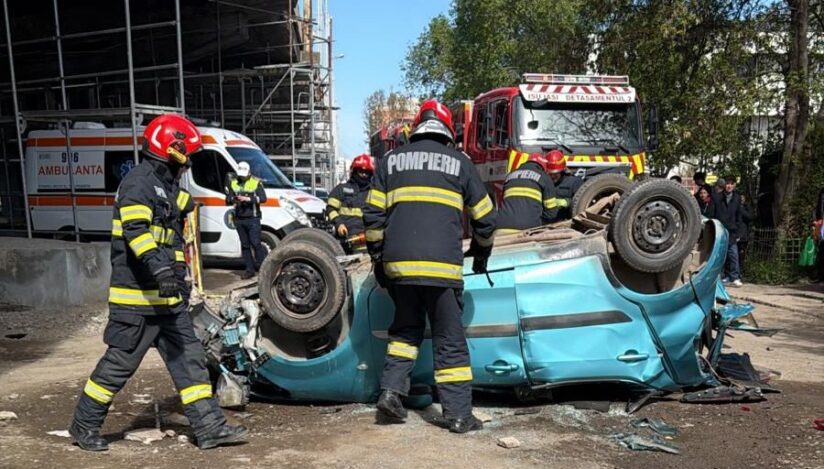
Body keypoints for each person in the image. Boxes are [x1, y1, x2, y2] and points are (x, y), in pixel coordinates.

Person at [69, 114, 247, 451]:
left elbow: (173, 233)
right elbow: (138, 235)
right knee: (117, 367)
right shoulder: (138, 184)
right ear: (173, 151)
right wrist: (162, 273)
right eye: (189, 156)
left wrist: (178, 278)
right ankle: (84, 424)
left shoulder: (166, 187)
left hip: (168, 302)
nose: (190, 163)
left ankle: (210, 429)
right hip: (137, 302)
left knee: (191, 363)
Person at [362, 99, 496, 434]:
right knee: (448, 339)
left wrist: (378, 258)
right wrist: (481, 253)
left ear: (416, 127)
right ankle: (459, 414)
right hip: (442, 270)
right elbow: (486, 218)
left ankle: (391, 393)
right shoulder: (460, 163)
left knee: (405, 330)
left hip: (399, 269)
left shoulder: (389, 162)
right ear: (449, 130)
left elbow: (373, 217)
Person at [494, 151, 559, 236]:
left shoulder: (510, 176)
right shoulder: (544, 177)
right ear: (543, 167)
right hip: (528, 230)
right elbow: (551, 213)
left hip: (501, 227)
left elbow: (502, 203)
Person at [226, 161, 268, 279]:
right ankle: (249, 270)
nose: (242, 177)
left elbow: (263, 198)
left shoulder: (256, 182)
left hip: (253, 218)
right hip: (239, 218)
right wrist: (232, 198)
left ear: (249, 173)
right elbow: (228, 198)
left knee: (256, 243)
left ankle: (263, 268)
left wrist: (249, 199)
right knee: (245, 245)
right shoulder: (233, 182)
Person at [326, 153, 373, 252]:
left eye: (366, 172)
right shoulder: (341, 190)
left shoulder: (374, 193)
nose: (364, 175)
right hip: (343, 242)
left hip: (364, 242)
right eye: (361, 171)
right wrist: (339, 224)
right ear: (354, 171)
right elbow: (330, 209)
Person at [713, 175, 744, 287]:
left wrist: (739, 232)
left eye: (731, 183)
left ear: (734, 185)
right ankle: (724, 276)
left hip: (732, 230)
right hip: (720, 229)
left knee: (733, 254)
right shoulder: (717, 197)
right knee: (721, 254)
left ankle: (735, 276)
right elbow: (713, 212)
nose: (729, 186)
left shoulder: (737, 198)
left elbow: (739, 215)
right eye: (727, 183)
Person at [546, 150, 583, 219]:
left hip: (566, 222)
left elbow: (582, 203)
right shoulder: (544, 182)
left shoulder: (574, 182)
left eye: (555, 173)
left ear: (562, 171)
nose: (552, 176)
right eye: (550, 174)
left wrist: (568, 202)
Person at [738, 194, 754, 277]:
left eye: (742, 198)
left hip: (743, 234)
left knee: (741, 255)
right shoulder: (735, 206)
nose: (741, 200)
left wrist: (741, 209)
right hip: (736, 233)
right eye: (740, 198)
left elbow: (750, 217)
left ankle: (740, 272)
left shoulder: (747, 207)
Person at [814, 188, 824, 282]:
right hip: (822, 223)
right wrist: (818, 219)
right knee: (822, 248)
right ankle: (821, 275)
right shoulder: (822, 191)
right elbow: (819, 207)